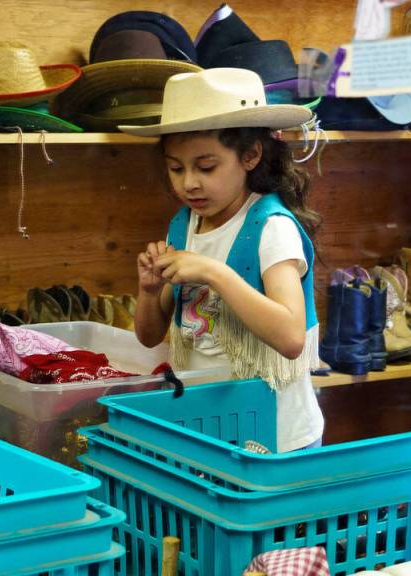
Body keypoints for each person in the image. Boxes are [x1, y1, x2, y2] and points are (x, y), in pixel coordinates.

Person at [123, 68, 324, 452]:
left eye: (206, 166)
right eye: (176, 168)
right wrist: (149, 291)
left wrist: (215, 272)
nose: (189, 184)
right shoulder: (184, 227)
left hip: (278, 436)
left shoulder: (271, 228)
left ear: (250, 156)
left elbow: (292, 337)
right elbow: (149, 336)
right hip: (211, 432)